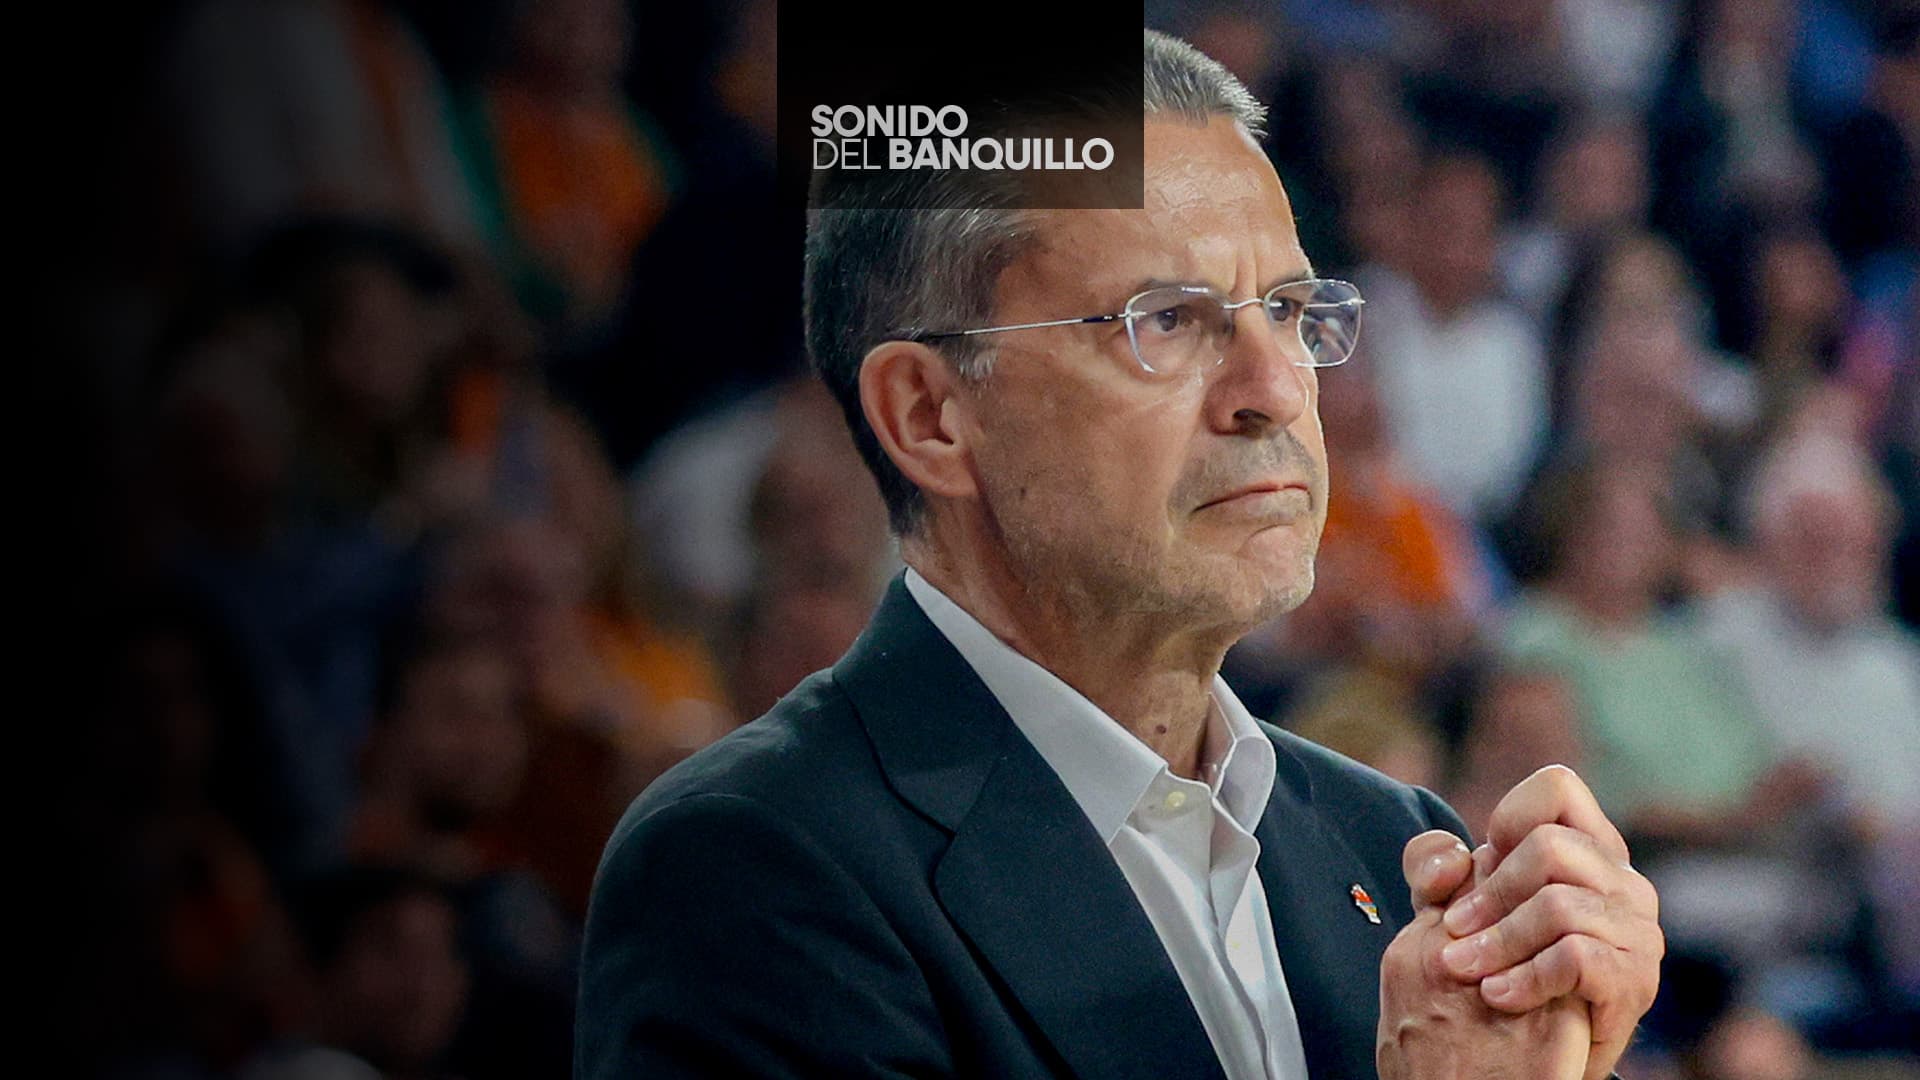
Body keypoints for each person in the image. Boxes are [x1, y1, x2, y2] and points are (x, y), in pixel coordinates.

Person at [578, 31, 1661, 1079]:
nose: (1275, 390)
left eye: (1288, 311)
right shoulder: (751, 868)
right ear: (931, 416)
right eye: (1169, 321)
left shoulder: (1396, 842)